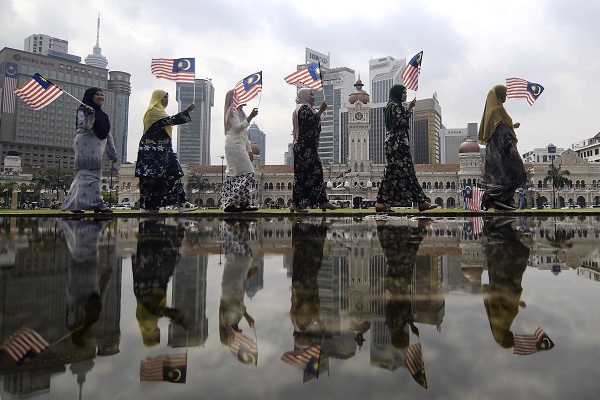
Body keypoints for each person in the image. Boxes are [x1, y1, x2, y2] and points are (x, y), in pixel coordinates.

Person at [375, 85, 438, 213]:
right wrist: (409, 109)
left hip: (393, 143)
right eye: (403, 93)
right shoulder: (394, 106)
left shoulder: (391, 106)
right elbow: (401, 123)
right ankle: (421, 202)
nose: (405, 95)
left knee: (391, 173)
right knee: (408, 172)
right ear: (398, 93)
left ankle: (381, 203)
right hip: (397, 144)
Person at [135, 89, 197, 213]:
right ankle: (150, 206)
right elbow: (171, 120)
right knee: (151, 178)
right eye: (164, 97)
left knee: (174, 173)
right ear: (157, 98)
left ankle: (182, 203)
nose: (166, 100)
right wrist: (187, 111)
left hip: (164, 151)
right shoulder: (153, 112)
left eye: (168, 98)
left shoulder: (160, 112)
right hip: (151, 152)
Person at [61, 88, 117, 214]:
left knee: (94, 174)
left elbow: (108, 134)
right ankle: (98, 204)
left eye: (102, 95)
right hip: (85, 143)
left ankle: (77, 204)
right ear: (90, 96)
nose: (100, 97)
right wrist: (90, 114)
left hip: (98, 146)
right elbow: (85, 125)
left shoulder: (103, 115)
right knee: (85, 174)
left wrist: (112, 153)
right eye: (97, 94)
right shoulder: (82, 110)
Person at [478, 85, 527, 211]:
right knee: (517, 173)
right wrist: (509, 145)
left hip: (494, 152)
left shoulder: (491, 111)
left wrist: (512, 125)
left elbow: (500, 126)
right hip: (503, 151)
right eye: (504, 94)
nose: (506, 96)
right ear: (498, 95)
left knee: (500, 177)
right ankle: (494, 198)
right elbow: (501, 130)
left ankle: (503, 201)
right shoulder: (498, 110)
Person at [290, 88, 339, 213]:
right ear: (304, 96)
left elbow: (314, 124)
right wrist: (321, 111)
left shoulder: (307, 109)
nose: (313, 96)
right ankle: (296, 204)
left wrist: (319, 113)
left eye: (313, 94)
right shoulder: (303, 109)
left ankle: (323, 201)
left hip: (309, 149)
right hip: (304, 149)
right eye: (310, 94)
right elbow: (310, 124)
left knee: (317, 174)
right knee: (302, 176)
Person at [221, 89, 259, 212]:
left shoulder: (240, 112)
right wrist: (251, 117)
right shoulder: (231, 111)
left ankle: (244, 203)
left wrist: (249, 150)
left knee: (235, 173)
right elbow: (237, 128)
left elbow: (244, 133)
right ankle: (230, 202)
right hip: (233, 144)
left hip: (240, 144)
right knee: (248, 171)